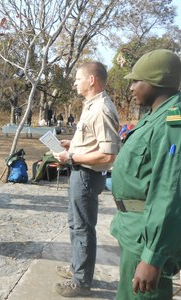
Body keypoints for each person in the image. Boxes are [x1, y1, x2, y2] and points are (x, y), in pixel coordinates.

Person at [110, 49, 181, 299]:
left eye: (136, 81)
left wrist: (153, 256)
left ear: (156, 82)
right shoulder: (153, 116)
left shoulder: (172, 122)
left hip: (146, 237)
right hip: (134, 230)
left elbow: (170, 191)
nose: (131, 88)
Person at [53, 62, 121, 297]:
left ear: (91, 80)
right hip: (81, 173)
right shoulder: (91, 106)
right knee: (75, 224)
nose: (74, 83)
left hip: (87, 176)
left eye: (77, 78)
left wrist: (72, 156)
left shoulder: (101, 108)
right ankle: (76, 268)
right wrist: (73, 144)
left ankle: (81, 282)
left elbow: (109, 154)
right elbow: (93, 141)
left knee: (82, 228)